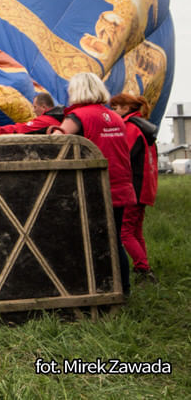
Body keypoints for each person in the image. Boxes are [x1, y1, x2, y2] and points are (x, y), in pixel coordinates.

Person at [48, 72, 136, 295]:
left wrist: (49, 133)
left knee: (82, 240)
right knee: (114, 241)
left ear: (76, 91)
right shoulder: (114, 117)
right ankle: (122, 290)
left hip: (91, 188)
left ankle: (87, 290)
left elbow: (56, 142)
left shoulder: (77, 117)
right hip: (119, 187)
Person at [109, 92, 159, 283]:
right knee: (136, 230)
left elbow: (124, 156)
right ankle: (142, 266)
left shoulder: (130, 127)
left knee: (125, 232)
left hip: (134, 186)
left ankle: (144, 269)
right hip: (146, 186)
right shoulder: (143, 127)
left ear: (126, 108)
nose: (113, 111)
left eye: (115, 108)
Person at [0, 92, 64, 135]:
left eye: (35, 107)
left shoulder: (45, 121)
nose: (33, 110)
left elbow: (20, 128)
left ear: (43, 107)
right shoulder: (62, 119)